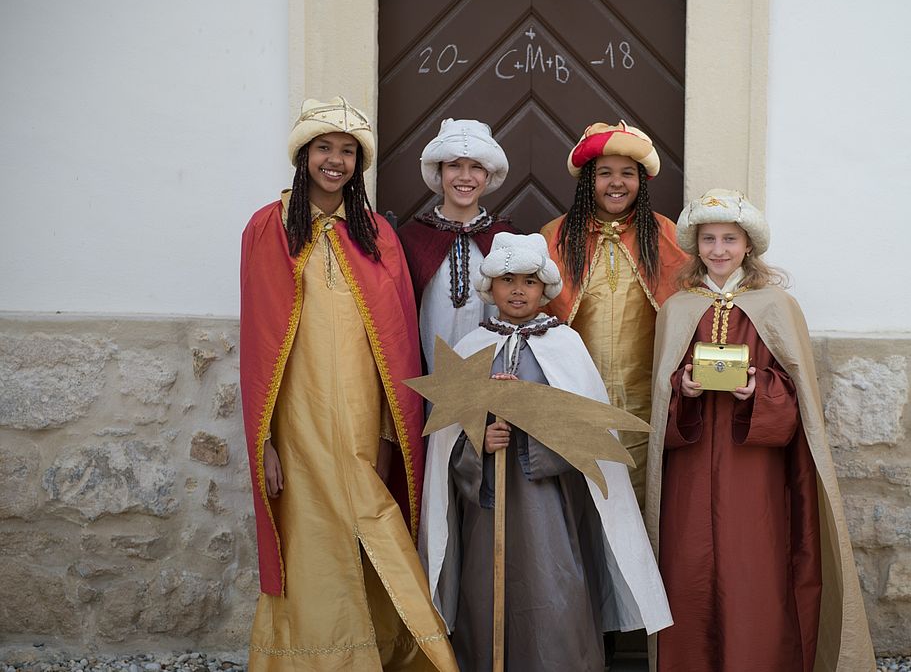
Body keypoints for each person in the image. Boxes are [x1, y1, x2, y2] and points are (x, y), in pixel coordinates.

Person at [239, 96, 457, 671]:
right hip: (297, 411)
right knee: (309, 530)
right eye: (323, 149)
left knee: (371, 514)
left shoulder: (376, 233)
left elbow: (398, 332)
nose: (334, 161)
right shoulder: (268, 227)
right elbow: (261, 336)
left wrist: (394, 420)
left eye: (347, 153)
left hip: (364, 412)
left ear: (359, 165)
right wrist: (263, 439)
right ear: (303, 155)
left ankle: (400, 649)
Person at [645, 190, 876, 671]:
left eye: (729, 239)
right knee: (688, 566)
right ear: (696, 246)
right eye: (709, 239)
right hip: (690, 463)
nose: (719, 249)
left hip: (755, 465)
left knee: (754, 566)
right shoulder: (677, 308)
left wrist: (760, 390)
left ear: (748, 245)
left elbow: (799, 396)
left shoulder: (776, 306)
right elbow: (662, 394)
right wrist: (682, 389)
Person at [420, 232, 672, 670]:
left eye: (530, 282)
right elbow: (447, 443)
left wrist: (533, 432)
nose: (518, 290)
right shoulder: (471, 348)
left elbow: (588, 439)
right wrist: (479, 442)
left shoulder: (566, 346)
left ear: (544, 290)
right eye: (508, 280)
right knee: (486, 589)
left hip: (549, 504)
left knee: (552, 586)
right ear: (491, 287)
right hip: (488, 503)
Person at [540, 120, 688, 513]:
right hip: (574, 399)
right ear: (589, 180)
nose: (616, 183)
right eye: (605, 173)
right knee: (581, 504)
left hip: (645, 405)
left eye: (627, 173)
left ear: (642, 179)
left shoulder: (666, 236)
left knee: (641, 502)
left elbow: (693, 316)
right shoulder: (555, 237)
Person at [398, 118, 516, 371]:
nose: (465, 176)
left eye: (476, 167)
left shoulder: (506, 239)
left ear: (487, 175)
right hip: (427, 374)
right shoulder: (411, 240)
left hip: (493, 375)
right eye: (454, 166)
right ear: (440, 172)